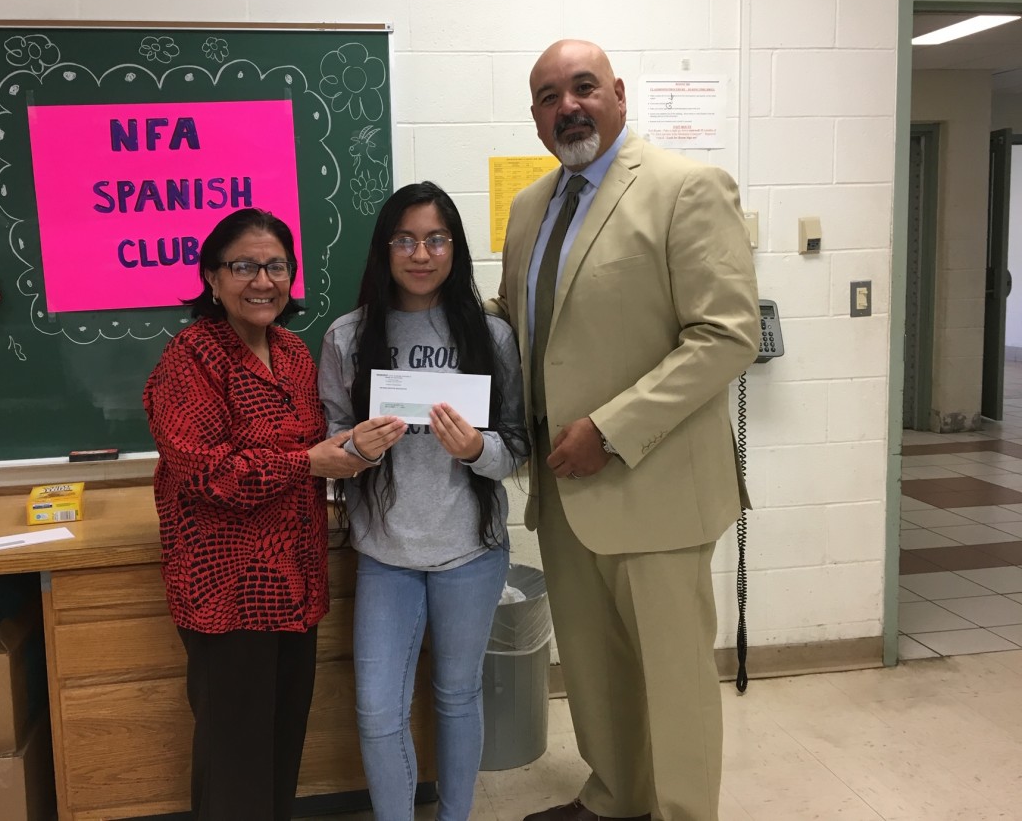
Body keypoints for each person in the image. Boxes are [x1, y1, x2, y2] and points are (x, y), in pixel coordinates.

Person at [489, 40, 760, 821]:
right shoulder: (530, 208)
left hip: (655, 485)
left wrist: (608, 429)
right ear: (536, 118)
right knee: (597, 670)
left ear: (618, 95)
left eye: (582, 88)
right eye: (548, 95)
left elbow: (726, 334)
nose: (566, 105)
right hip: (564, 486)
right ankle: (615, 798)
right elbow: (520, 325)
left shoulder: (685, 189)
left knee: (672, 680)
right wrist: (424, 319)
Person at [143, 208, 368, 821]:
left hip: (294, 582)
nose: (262, 280)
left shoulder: (294, 354)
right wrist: (308, 465)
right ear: (212, 279)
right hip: (226, 592)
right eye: (243, 266)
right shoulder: (190, 360)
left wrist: (360, 448)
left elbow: (317, 447)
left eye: (276, 266)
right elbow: (206, 473)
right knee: (235, 754)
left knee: (280, 741)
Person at [317, 181, 529, 821]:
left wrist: (474, 451)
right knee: (378, 709)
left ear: (454, 249)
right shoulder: (347, 337)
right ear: (385, 250)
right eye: (405, 239)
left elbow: (516, 446)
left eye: (435, 239)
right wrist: (357, 449)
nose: (420, 253)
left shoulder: (490, 337)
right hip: (385, 552)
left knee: (457, 696)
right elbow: (330, 446)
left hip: (470, 550)